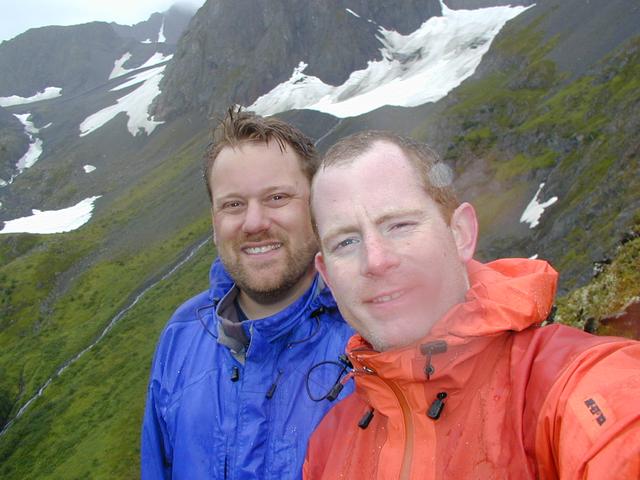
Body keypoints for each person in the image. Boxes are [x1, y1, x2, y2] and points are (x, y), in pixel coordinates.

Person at [304, 130, 640, 479]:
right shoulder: (326, 449)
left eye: (399, 225)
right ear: (327, 275)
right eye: (345, 242)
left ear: (461, 233)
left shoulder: (567, 386)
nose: (375, 260)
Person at [141, 108, 354, 479]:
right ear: (214, 220)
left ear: (317, 208)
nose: (254, 223)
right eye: (233, 204)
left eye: (277, 198)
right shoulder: (181, 334)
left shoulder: (367, 336)